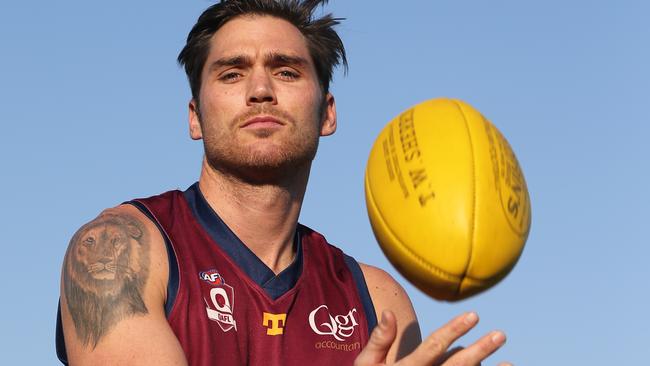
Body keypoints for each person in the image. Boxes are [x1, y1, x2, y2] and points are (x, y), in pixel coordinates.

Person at [56, 1, 510, 365]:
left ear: (326, 113)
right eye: (231, 72)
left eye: (287, 71)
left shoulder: (376, 298)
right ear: (195, 117)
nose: (260, 89)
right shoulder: (121, 249)